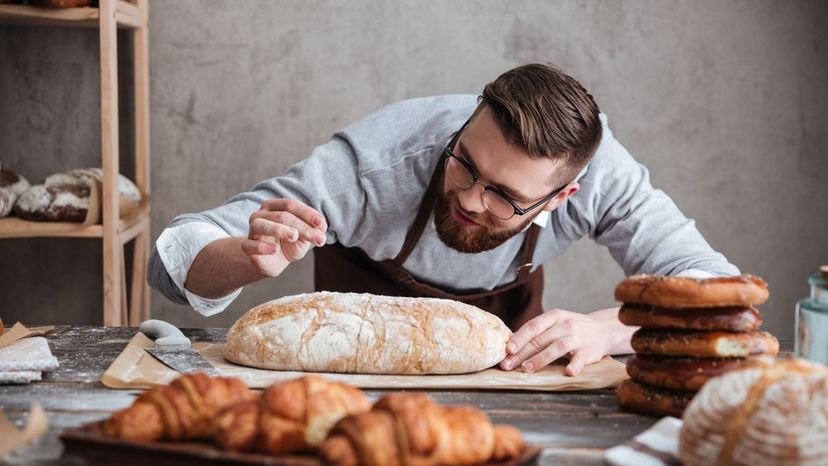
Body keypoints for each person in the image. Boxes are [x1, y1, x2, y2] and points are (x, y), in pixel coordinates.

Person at [148, 63, 738, 376]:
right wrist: (246, 260)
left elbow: (720, 294)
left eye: (505, 196)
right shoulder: (375, 165)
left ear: (564, 197)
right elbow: (171, 261)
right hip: (354, 386)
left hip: (515, 384)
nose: (473, 200)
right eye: (465, 165)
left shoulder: (605, 175)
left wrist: (611, 330)